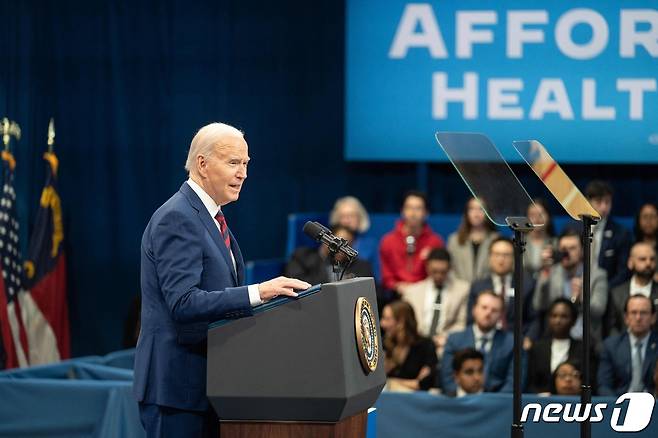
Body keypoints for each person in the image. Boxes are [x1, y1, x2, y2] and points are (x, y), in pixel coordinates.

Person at [134, 123, 311, 438]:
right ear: (202, 164)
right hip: (177, 392)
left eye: (245, 164)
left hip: (211, 387)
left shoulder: (211, 218)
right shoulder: (178, 217)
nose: (243, 173)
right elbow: (184, 302)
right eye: (233, 163)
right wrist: (259, 292)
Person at [533, 228, 608, 345]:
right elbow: (538, 305)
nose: (566, 253)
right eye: (563, 249)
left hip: (587, 341)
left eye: (572, 248)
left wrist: (582, 298)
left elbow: (599, 310)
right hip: (556, 339)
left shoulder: (596, 275)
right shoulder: (551, 273)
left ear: (582, 251)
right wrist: (544, 274)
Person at [400, 248, 470, 358]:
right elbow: (406, 322)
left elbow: (461, 323)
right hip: (417, 343)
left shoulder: (462, 290)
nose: (438, 276)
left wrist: (446, 338)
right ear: (427, 267)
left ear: (450, 269)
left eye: (443, 272)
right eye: (434, 271)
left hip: (444, 344)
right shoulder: (412, 292)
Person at [441, 291, 515, 394]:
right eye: (484, 307)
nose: (488, 313)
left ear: (500, 315)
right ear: (474, 309)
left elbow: (514, 382)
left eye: (494, 310)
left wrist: (494, 402)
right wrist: (463, 400)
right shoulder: (454, 340)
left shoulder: (512, 343)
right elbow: (447, 377)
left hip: (498, 404)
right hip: (459, 403)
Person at [466, 237, 537, 339]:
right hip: (483, 339)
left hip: (516, 341)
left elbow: (534, 319)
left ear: (514, 257)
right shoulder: (478, 286)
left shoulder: (526, 285)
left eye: (506, 255)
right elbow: (470, 319)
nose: (501, 259)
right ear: (489, 257)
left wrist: (528, 339)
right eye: (497, 254)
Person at [379, 191, 444, 295]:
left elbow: (439, 273)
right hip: (396, 294)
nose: (413, 213)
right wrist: (397, 286)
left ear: (426, 213)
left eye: (418, 208)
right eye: (409, 208)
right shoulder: (388, 241)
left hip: (426, 293)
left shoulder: (435, 241)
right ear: (402, 211)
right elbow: (385, 276)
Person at [527, 298, 593, 394]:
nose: (558, 320)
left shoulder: (584, 349)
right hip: (541, 403)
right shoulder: (537, 348)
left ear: (573, 321)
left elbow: (589, 382)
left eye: (564, 316)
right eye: (554, 316)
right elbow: (530, 383)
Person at [598, 294, 658, 396]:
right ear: (626, 318)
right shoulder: (611, 346)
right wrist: (617, 407)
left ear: (653, 317)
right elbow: (604, 385)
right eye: (634, 313)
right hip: (620, 404)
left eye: (643, 313)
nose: (638, 318)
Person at [284, 224, 374, 284]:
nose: (341, 250)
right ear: (327, 241)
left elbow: (374, 293)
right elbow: (295, 285)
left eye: (347, 245)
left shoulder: (362, 265)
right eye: (338, 244)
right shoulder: (303, 257)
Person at [380, 300, 438, 391]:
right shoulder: (384, 344)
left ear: (401, 322)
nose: (382, 324)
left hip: (413, 400)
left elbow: (423, 383)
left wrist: (392, 381)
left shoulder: (425, 346)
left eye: (387, 319)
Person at [585, 180, 632, 289]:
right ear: (588, 201)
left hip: (607, 288)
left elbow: (623, 272)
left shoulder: (621, 233)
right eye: (599, 201)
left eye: (607, 202)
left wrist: (603, 289)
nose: (604, 207)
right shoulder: (575, 229)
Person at [608, 242, 658, 335]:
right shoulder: (616, 293)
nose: (648, 263)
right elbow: (612, 328)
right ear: (630, 263)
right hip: (622, 346)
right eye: (642, 259)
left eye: (652, 259)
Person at [447, 197, 499, 283]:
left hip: (487, 291)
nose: (476, 213)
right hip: (460, 291)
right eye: (472, 209)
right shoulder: (454, 240)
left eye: (481, 209)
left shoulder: (496, 240)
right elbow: (450, 269)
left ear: (488, 213)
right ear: (466, 213)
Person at [328, 196, 378, 272]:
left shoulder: (370, 244)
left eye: (351, 216)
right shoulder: (328, 242)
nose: (347, 221)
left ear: (360, 218)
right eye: (343, 216)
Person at [525, 199, 556, 278]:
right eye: (532, 215)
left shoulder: (556, 243)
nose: (537, 218)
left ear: (549, 217)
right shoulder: (517, 241)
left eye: (541, 214)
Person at [634, 202, 658, 282]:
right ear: (638, 220)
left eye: (652, 216)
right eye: (645, 217)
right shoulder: (630, 245)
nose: (649, 221)